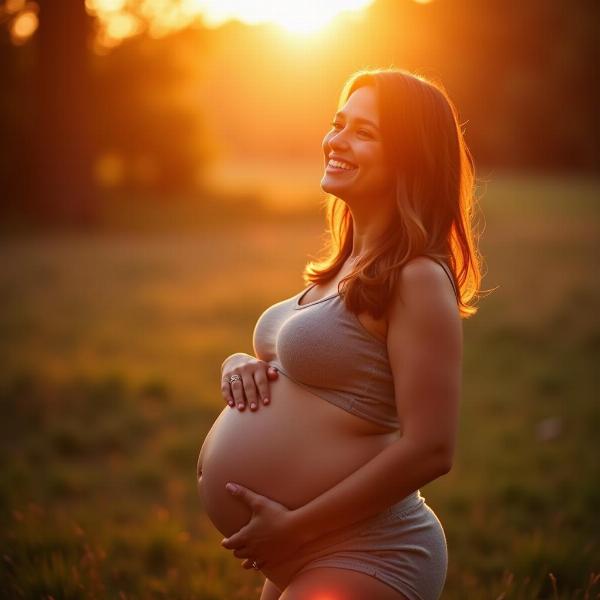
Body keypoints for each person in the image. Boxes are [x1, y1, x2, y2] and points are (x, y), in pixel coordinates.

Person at [217, 66, 482, 599]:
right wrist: (237, 366)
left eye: (365, 132)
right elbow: (309, 375)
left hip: (371, 549)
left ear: (411, 157)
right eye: (339, 124)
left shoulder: (418, 277)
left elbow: (431, 448)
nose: (337, 141)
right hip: (305, 544)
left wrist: (296, 527)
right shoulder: (344, 269)